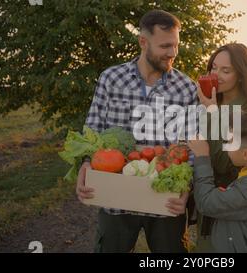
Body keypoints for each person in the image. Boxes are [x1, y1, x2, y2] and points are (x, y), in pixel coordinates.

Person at [76, 10, 198, 253]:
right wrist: (87, 162)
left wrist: (187, 188)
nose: (172, 53)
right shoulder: (111, 78)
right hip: (116, 199)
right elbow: (94, 127)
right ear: (143, 42)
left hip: (166, 199)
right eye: (165, 46)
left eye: (175, 45)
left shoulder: (186, 88)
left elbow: (192, 145)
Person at [194, 43, 247, 251]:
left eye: (226, 70)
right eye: (214, 67)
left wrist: (213, 113)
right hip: (205, 187)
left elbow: (228, 159)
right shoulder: (211, 99)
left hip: (232, 198)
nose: (216, 75)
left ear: (241, 74)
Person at [188, 110, 247, 252]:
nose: (226, 145)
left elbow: (206, 203)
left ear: (246, 154)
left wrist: (202, 158)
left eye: (230, 141)